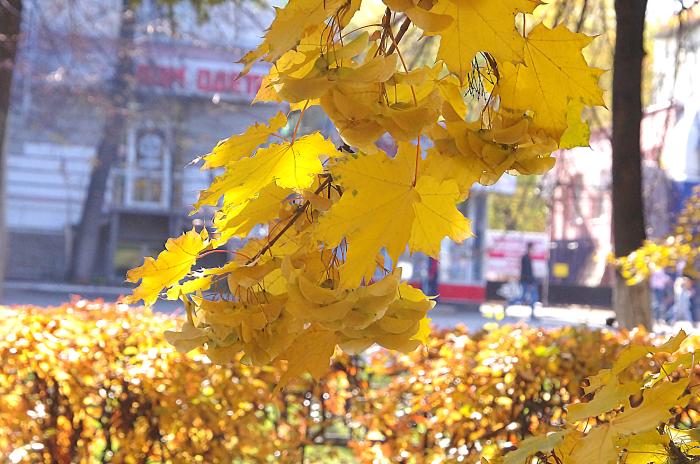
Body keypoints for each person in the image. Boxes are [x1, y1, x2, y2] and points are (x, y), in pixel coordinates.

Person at [520, 242, 539, 319]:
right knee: (530, 297)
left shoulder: (527, 257)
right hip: (527, 281)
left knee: (528, 297)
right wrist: (530, 282)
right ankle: (507, 306)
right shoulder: (526, 258)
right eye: (532, 248)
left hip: (527, 281)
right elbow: (526, 271)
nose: (533, 250)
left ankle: (532, 313)